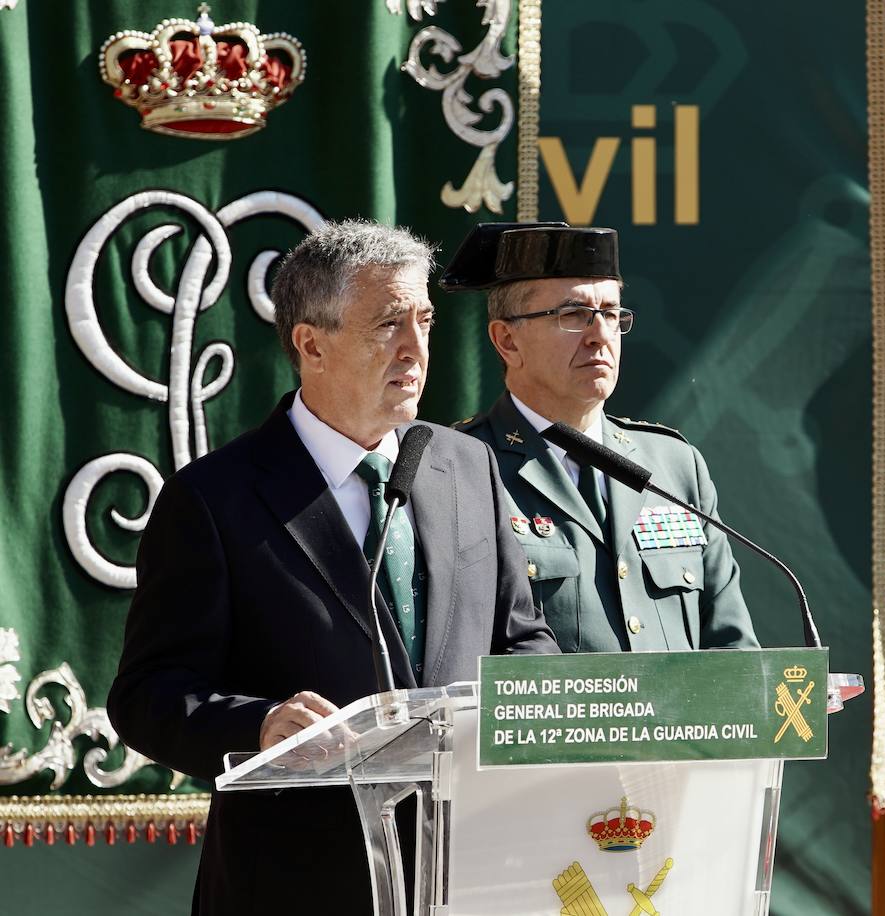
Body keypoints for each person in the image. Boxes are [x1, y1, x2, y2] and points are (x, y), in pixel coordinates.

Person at [107, 220, 558, 915]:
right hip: (298, 881)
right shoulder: (216, 499)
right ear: (310, 344)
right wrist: (258, 726)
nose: (414, 349)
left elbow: (521, 640)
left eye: (424, 321)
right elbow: (148, 697)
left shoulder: (466, 466)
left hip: (469, 871)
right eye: (386, 324)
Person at [440, 222, 759, 653]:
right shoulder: (460, 469)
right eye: (572, 316)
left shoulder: (674, 465)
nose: (600, 335)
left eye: (610, 313)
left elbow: (732, 647)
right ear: (507, 340)